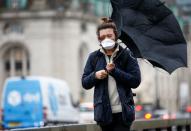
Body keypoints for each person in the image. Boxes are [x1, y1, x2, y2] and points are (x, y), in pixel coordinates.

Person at [81, 18, 141, 131]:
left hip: (123, 113)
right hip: (103, 114)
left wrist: (115, 71)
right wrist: (95, 76)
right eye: (103, 37)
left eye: (109, 36)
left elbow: (135, 81)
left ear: (116, 36)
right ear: (99, 39)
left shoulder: (127, 55)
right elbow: (85, 82)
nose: (106, 39)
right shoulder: (94, 57)